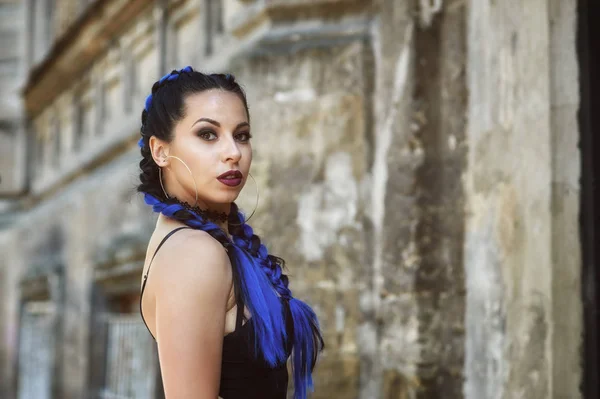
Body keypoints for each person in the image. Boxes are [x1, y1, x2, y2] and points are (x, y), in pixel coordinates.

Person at [136, 66, 324, 399]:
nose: (233, 153)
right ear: (160, 150)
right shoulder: (194, 252)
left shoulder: (205, 239)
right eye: (208, 134)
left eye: (241, 135)